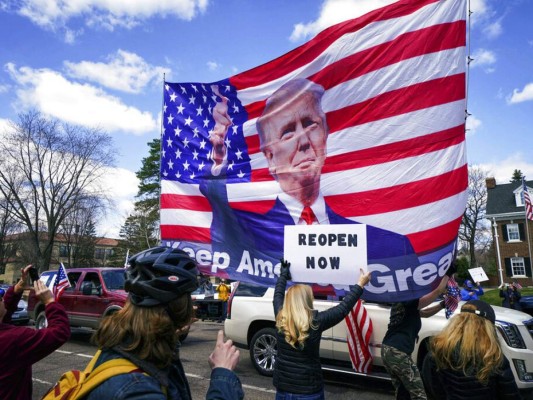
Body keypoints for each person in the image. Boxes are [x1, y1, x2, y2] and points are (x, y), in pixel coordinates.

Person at [202, 78, 418, 294]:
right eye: (287, 132)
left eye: (310, 124)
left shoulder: (392, 248)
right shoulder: (248, 235)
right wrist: (217, 159)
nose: (304, 141)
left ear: (324, 136)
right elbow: (220, 215)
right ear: (270, 158)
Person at [86, 246, 244, 400]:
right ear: (179, 306)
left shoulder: (121, 346)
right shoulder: (136, 390)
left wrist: (167, 335)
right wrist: (223, 373)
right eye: (188, 295)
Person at [272, 259, 372, 399]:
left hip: (283, 391)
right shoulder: (316, 321)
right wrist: (360, 284)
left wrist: (283, 275)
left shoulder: (280, 317)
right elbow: (343, 308)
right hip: (309, 391)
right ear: (306, 301)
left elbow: (277, 295)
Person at [381, 262, 457, 400]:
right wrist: (447, 273)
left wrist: (442, 304)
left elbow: (425, 313)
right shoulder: (406, 300)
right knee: (419, 394)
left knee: (403, 391)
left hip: (389, 351)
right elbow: (438, 291)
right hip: (398, 352)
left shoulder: (406, 305)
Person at [421, 300, 521, 400]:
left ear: (457, 323)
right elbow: (510, 395)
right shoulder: (494, 358)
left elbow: (433, 391)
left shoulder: (436, 353)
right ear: (488, 328)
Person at [0, 265, 70, 400]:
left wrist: (16, 290)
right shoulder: (14, 339)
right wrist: (50, 302)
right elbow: (60, 332)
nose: (3, 296)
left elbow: (4, 319)